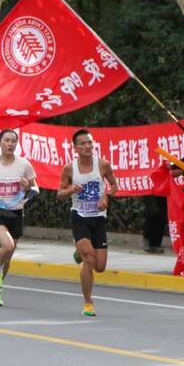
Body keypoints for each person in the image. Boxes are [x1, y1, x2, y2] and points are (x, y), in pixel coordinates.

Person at [0, 130, 39, 307]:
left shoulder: (24, 164)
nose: (10, 144)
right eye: (7, 141)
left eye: (13, 141)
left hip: (16, 213)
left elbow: (35, 189)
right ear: (0, 143)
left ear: (16, 144)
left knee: (8, 256)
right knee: (7, 246)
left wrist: (27, 188)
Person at [57, 129, 118, 316]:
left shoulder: (103, 165)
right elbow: (59, 194)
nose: (87, 146)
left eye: (90, 143)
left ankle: (80, 251)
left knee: (100, 267)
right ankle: (88, 303)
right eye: (83, 143)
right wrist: (71, 190)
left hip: (98, 218)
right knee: (89, 259)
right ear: (75, 147)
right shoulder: (69, 168)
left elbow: (114, 185)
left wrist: (106, 198)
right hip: (80, 217)